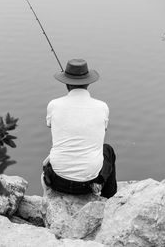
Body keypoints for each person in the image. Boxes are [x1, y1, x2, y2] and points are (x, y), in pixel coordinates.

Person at [42, 58, 117, 198]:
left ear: (66, 83)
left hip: (58, 181)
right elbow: (102, 131)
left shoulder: (53, 105)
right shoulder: (102, 107)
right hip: (88, 184)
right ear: (88, 82)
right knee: (107, 150)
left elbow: (51, 126)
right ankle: (108, 198)